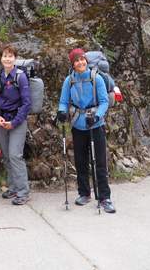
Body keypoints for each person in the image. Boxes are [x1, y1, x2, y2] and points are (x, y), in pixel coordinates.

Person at [56, 48, 116, 213]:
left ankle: (104, 197)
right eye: (76, 61)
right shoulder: (69, 81)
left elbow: (104, 102)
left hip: (95, 125)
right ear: (73, 64)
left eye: (82, 59)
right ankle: (84, 193)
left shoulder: (97, 79)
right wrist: (61, 112)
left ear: (86, 60)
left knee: (100, 162)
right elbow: (63, 101)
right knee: (81, 162)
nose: (80, 63)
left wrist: (97, 116)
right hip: (77, 125)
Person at [0, 44, 32, 205]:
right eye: (5, 56)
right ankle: (13, 187)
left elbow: (27, 103)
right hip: (2, 121)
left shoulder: (20, 77)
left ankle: (23, 191)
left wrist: (14, 122)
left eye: (10, 56)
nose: (7, 58)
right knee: (7, 155)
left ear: (15, 58)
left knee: (15, 155)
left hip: (17, 121)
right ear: (1, 58)